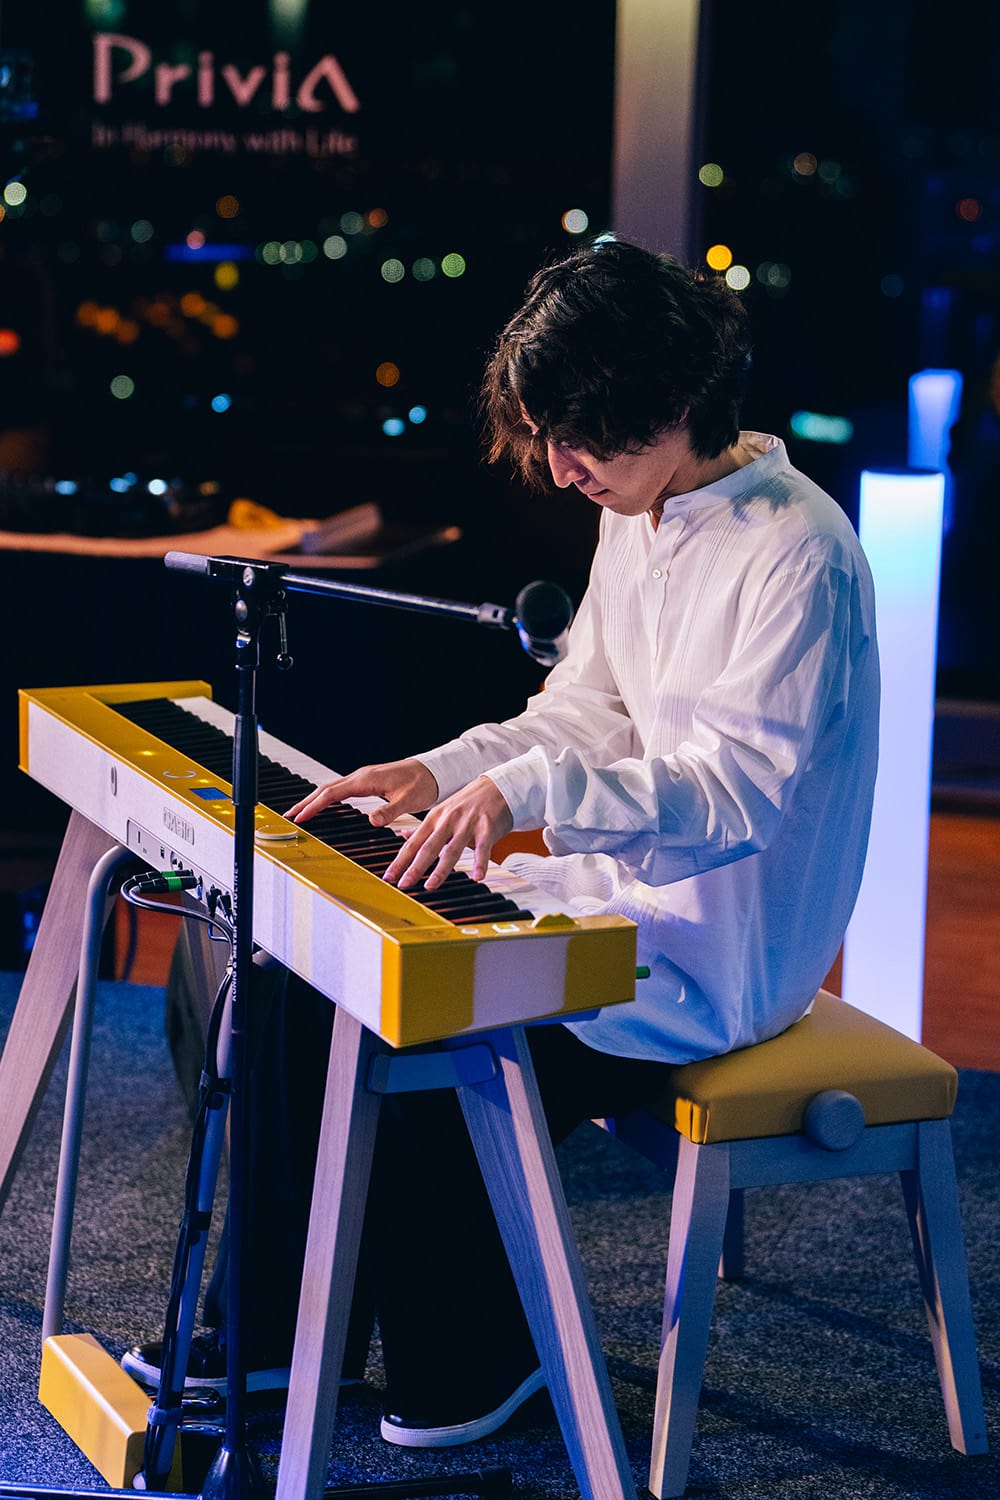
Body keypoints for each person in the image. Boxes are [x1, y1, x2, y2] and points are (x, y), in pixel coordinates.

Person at [126, 237, 880, 1448]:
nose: (560, 468)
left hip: (718, 953)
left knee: (432, 1023)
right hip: (613, 902)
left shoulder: (799, 551)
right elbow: (581, 710)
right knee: (301, 978)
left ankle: (478, 1363)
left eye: (580, 437)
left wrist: (526, 785)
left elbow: (733, 798)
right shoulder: (642, 511)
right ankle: (271, 1339)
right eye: (548, 437)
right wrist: (444, 769)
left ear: (672, 400)